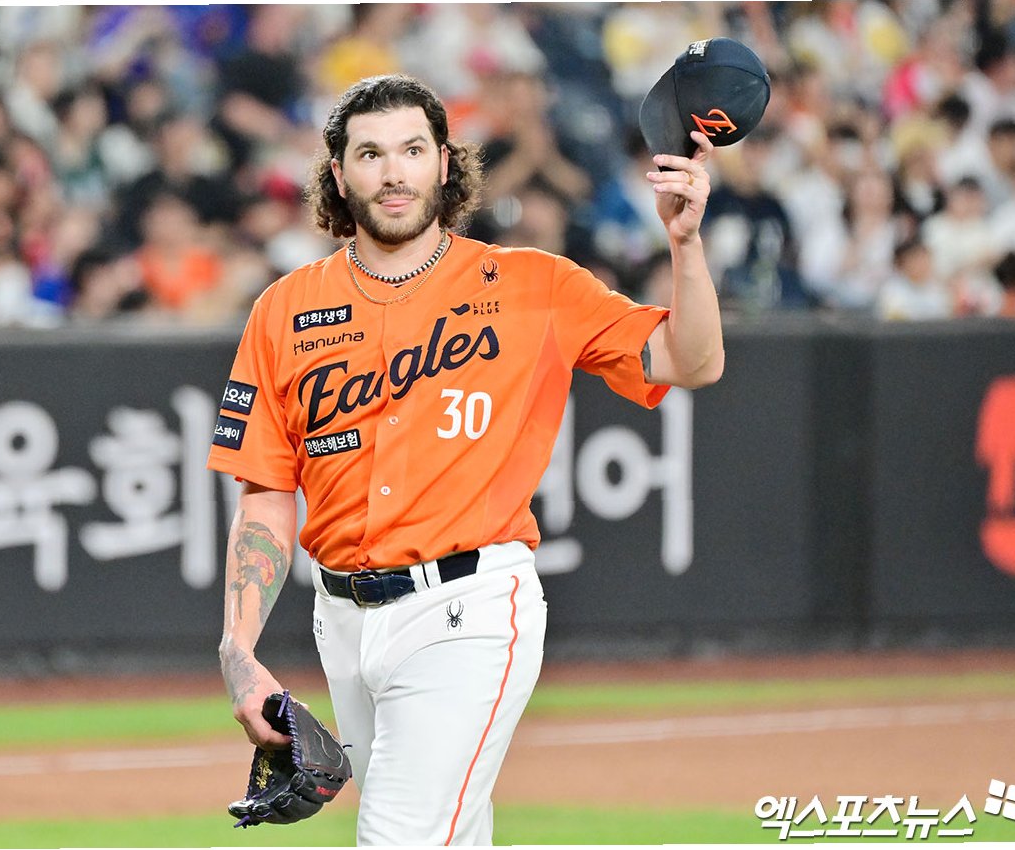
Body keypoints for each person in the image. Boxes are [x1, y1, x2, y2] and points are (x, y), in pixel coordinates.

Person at [206, 73, 723, 846]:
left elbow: (691, 360)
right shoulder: (283, 309)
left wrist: (685, 245)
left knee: (399, 833)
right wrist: (239, 647)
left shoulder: (533, 285)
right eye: (371, 154)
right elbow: (266, 493)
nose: (393, 171)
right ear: (338, 174)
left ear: (445, 163)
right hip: (340, 617)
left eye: (412, 149)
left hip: (467, 606)